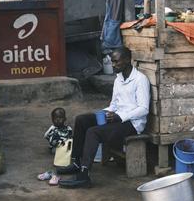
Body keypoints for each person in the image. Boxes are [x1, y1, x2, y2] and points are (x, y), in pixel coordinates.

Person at [59, 47, 150, 188]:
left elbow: (143, 109)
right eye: (112, 62)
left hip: (132, 124)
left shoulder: (140, 80)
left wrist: (120, 117)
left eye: (116, 62)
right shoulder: (119, 79)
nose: (113, 65)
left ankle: (84, 176)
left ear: (127, 60)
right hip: (118, 118)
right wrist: (103, 112)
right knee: (82, 120)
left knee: (93, 132)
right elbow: (113, 105)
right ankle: (77, 163)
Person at [38, 107, 73, 186]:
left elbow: (71, 139)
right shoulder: (53, 129)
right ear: (52, 119)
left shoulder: (69, 129)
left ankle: (53, 173)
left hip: (66, 149)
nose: (57, 120)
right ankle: (54, 174)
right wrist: (56, 143)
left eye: (60, 118)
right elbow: (47, 136)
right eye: (55, 118)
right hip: (56, 148)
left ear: (65, 119)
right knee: (57, 158)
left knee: (68, 156)